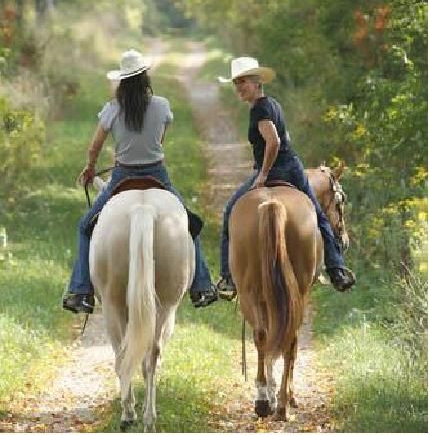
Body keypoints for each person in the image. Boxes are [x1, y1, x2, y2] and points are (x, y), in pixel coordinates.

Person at [62, 49, 217, 314]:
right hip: (157, 174)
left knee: (85, 225)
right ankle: (202, 285)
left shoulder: (112, 109)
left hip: (122, 176)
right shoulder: (162, 106)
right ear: (145, 77)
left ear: (122, 80)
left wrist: (90, 168)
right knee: (190, 223)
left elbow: (94, 147)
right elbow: (159, 140)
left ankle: (81, 290)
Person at [216, 56, 356, 299]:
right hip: (293, 166)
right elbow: (285, 137)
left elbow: (274, 142)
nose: (239, 87)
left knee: (230, 212)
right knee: (319, 216)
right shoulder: (274, 104)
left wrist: (263, 175)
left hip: (276, 169)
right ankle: (336, 268)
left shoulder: (260, 109)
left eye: (243, 82)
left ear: (257, 82)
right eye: (236, 82)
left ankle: (228, 277)